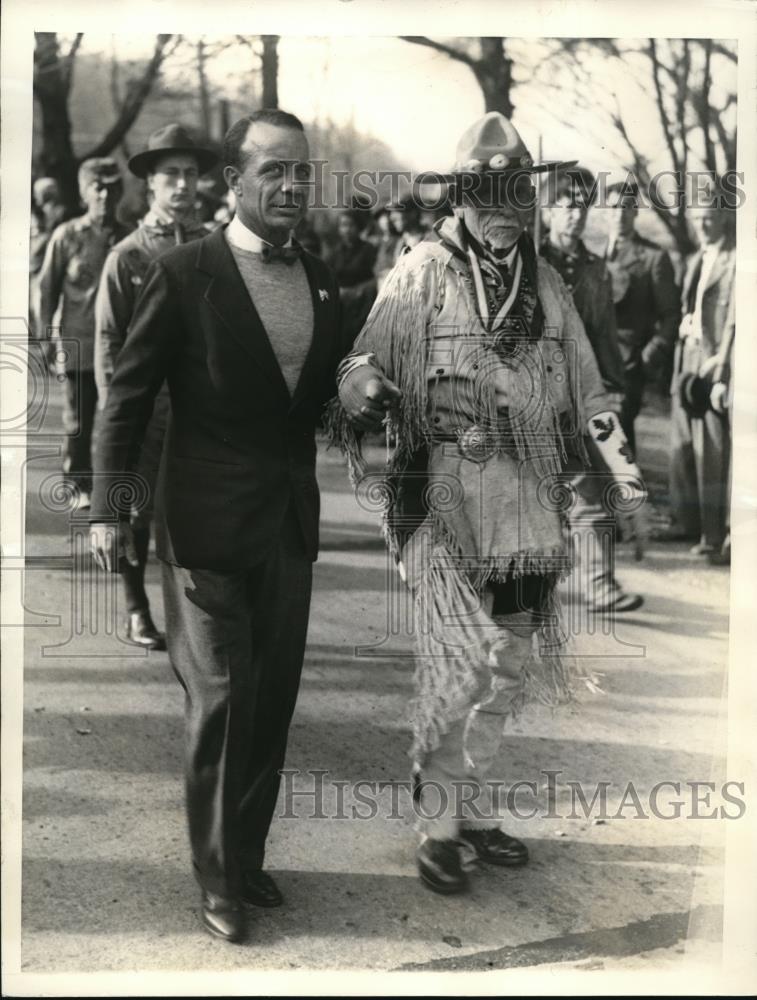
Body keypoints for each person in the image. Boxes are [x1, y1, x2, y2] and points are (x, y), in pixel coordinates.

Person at [328, 112, 646, 894]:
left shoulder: (547, 285)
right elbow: (359, 359)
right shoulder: (423, 269)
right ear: (462, 195)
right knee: (459, 659)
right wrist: (366, 388)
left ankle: (463, 804)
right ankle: (436, 822)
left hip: (527, 508)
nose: (507, 206)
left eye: (517, 191)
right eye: (488, 190)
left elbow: (591, 390)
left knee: (505, 668)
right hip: (438, 497)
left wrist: (625, 479)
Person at [90, 109, 343, 944]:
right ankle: (217, 878)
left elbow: (317, 400)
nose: (291, 186)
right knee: (222, 698)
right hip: (200, 522)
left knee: (270, 701)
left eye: (301, 171)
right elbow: (125, 397)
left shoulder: (321, 278)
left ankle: (247, 852)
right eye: (273, 170)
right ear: (232, 181)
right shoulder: (183, 270)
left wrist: (361, 393)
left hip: (285, 525)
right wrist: (110, 507)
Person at [94, 124, 219, 650]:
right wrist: (116, 418)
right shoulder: (128, 256)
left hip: (204, 412)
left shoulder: (217, 250)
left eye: (192, 174)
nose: (184, 185)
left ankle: (198, 614)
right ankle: (136, 608)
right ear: (151, 184)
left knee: (201, 512)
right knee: (137, 511)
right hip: (149, 411)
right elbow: (108, 345)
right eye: (172, 174)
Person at [542, 167, 642, 612]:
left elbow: (603, 332)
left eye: (583, 205)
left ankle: (599, 584)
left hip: (582, 393)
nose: (577, 214)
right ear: (547, 211)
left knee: (591, 486)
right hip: (528, 393)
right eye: (567, 205)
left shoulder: (595, 268)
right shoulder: (529, 261)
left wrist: (615, 388)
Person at [37, 159, 130, 511]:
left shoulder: (128, 236)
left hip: (121, 349)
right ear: (84, 192)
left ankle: (118, 489)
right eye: (98, 187)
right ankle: (78, 484)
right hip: (79, 344)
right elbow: (46, 291)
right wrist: (47, 338)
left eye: (113, 187)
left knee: (118, 421)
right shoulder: (67, 236)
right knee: (79, 421)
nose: (106, 195)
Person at [668, 197, 735, 559]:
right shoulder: (696, 259)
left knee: (712, 447)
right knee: (685, 445)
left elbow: (733, 321)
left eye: (709, 217)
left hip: (713, 360)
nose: (703, 225)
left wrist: (722, 365)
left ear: (724, 218)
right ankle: (689, 523)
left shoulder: (736, 260)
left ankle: (715, 535)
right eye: (697, 218)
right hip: (687, 355)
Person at [604, 181, 680, 454]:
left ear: (635, 212)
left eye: (626, 208)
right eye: (612, 208)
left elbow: (672, 316)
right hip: (591, 364)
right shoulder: (590, 254)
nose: (619, 214)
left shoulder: (653, 257)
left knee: (619, 442)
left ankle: (626, 494)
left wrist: (648, 358)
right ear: (604, 212)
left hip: (628, 367)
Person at [327, 209, 377, 348]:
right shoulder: (334, 252)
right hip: (340, 305)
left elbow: (374, 278)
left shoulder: (369, 250)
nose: (347, 230)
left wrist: (356, 292)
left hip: (362, 305)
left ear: (359, 227)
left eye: (351, 225)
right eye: (343, 225)